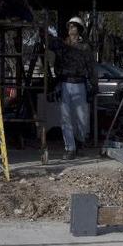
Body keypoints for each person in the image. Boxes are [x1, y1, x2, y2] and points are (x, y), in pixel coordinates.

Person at [50, 16, 97, 160]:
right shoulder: (62, 45)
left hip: (80, 84)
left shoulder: (85, 47)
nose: (71, 29)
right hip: (65, 83)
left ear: (80, 29)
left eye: (74, 26)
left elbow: (91, 68)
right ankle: (70, 148)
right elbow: (51, 48)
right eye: (70, 26)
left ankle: (80, 142)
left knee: (82, 119)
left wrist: (94, 86)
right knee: (66, 119)